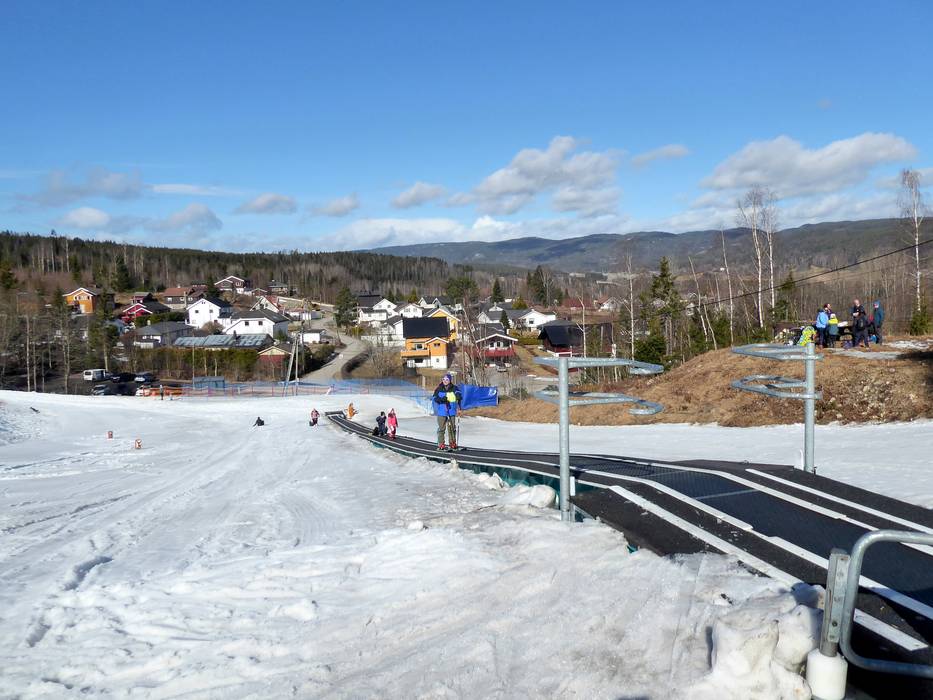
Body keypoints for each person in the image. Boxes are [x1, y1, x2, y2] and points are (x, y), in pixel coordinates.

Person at [433, 373, 462, 450]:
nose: (445, 381)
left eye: (447, 379)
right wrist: (441, 399)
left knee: (452, 428)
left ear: (450, 380)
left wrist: (458, 397)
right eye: (444, 379)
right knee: (441, 428)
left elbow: (458, 394)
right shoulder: (439, 388)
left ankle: (452, 443)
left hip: (451, 411)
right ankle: (441, 444)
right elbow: (435, 398)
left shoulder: (454, 388)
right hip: (442, 411)